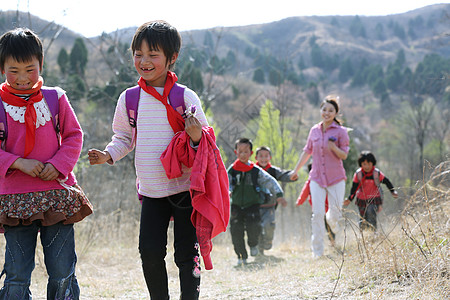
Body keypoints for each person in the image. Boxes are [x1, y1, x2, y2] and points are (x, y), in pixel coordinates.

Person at [88, 21, 209, 300]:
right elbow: (123, 137)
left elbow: (204, 145)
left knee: (186, 254)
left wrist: (194, 136)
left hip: (184, 191)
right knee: (150, 252)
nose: (144, 61)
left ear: (172, 58)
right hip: (151, 191)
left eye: (153, 54)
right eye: (138, 54)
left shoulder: (184, 96)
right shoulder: (130, 98)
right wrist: (108, 155)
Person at [0, 28, 92, 299]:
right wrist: (18, 163)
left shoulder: (55, 98)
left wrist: (59, 164)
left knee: (62, 268)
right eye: (13, 70)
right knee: (16, 271)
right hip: (15, 200)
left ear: (41, 64)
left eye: (30, 69)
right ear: (2, 67)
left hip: (56, 195)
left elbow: (74, 135)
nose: (22, 78)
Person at [290, 95, 349, 258]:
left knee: (333, 214)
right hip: (316, 178)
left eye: (331, 110)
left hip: (336, 178)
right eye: (324, 109)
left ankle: (334, 223)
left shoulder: (341, 132)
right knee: (317, 214)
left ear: (336, 113)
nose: (327, 113)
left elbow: (344, 155)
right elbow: (307, 151)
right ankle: (317, 251)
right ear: (320, 111)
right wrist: (295, 170)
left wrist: (333, 148)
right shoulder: (314, 130)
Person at [228, 138, 285, 266]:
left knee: (253, 227)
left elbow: (270, 181)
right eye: (240, 151)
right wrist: (228, 191)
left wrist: (279, 194)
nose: (243, 154)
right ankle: (241, 256)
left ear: (251, 153)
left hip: (252, 205)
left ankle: (253, 244)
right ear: (235, 152)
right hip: (236, 205)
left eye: (246, 152)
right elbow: (226, 182)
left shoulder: (255, 170)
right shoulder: (232, 169)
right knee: (236, 231)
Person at [343, 151, 398, 230]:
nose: (367, 166)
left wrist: (393, 191)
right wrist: (349, 199)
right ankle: (364, 236)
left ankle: (373, 233)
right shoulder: (358, 174)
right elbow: (354, 189)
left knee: (371, 213)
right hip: (361, 199)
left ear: (373, 163)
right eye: (364, 164)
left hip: (374, 199)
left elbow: (387, 182)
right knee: (363, 218)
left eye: (369, 164)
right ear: (361, 164)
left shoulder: (376, 173)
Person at [254, 146, 291, 255]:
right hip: (254, 204)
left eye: (266, 156)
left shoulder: (273, 170)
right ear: (256, 157)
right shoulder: (252, 170)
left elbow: (284, 175)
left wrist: (292, 176)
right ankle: (260, 249)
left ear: (270, 157)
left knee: (269, 224)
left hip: (270, 204)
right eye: (261, 156)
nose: (263, 158)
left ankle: (268, 240)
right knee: (257, 226)